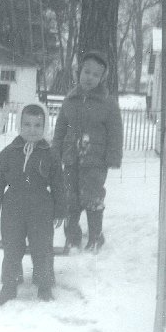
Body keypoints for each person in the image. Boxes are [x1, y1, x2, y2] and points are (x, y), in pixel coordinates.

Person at [0, 103, 65, 305]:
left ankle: (44, 285)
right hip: (13, 207)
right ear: (20, 125)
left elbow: (59, 184)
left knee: (42, 247)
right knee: (12, 248)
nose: (32, 129)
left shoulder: (50, 154)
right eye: (27, 124)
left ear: (44, 127)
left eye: (37, 125)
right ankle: (10, 286)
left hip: (41, 208)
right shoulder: (9, 152)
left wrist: (60, 211)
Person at [52, 51, 123, 252]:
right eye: (86, 72)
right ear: (79, 72)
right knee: (69, 198)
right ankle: (72, 237)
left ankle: (95, 237)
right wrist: (55, 151)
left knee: (93, 197)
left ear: (101, 79)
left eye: (95, 74)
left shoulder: (108, 103)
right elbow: (60, 128)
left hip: (95, 161)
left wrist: (113, 156)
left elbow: (115, 132)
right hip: (71, 158)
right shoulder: (70, 99)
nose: (89, 77)